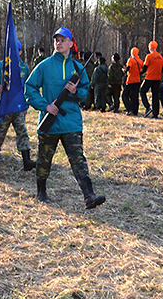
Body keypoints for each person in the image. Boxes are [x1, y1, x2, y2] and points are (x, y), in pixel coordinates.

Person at [25, 26, 105, 209]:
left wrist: (76, 91)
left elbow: (85, 93)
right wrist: (45, 106)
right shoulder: (44, 66)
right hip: (50, 122)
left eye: (63, 40)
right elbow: (29, 89)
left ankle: (89, 195)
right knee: (44, 159)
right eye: (56, 40)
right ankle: (41, 192)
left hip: (71, 122)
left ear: (70, 43)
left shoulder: (78, 67)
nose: (59, 43)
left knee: (78, 159)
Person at [0, 40, 36, 170]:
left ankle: (27, 159)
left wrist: (26, 104)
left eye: (17, 50)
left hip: (18, 107)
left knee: (22, 132)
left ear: (20, 52)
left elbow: (27, 87)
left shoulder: (24, 68)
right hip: (3, 106)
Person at [140, 41, 163, 118]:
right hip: (157, 79)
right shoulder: (160, 57)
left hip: (149, 77)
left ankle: (147, 107)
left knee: (142, 91)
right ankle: (155, 113)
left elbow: (144, 68)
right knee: (155, 96)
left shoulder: (149, 56)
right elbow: (162, 68)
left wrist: (139, 73)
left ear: (150, 47)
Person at [123, 47, 143, 116]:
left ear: (131, 53)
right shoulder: (140, 61)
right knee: (135, 96)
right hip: (137, 80)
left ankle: (129, 109)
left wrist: (124, 70)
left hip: (130, 80)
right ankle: (135, 111)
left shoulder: (130, 60)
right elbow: (142, 70)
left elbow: (128, 68)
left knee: (124, 95)